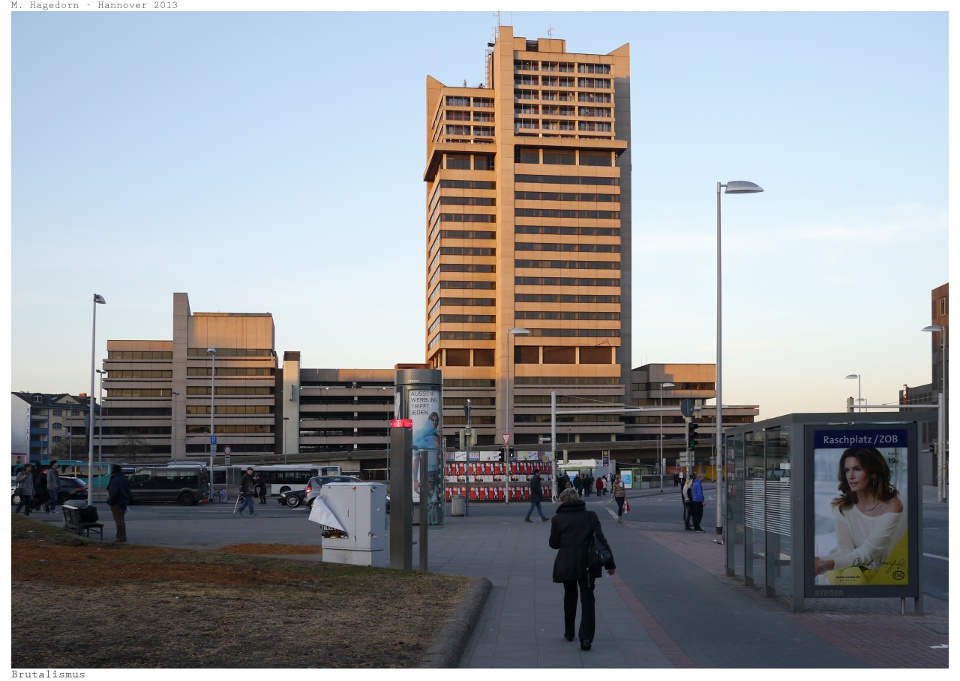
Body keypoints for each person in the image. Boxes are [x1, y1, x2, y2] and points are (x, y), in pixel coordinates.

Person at [814, 447, 907, 584]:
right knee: (847, 573)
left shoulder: (892, 506)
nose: (850, 476)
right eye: (847, 470)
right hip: (849, 566)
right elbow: (845, 549)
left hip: (876, 571)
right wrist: (820, 561)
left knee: (852, 575)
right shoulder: (842, 507)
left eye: (857, 469)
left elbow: (867, 554)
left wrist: (824, 565)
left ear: (873, 473)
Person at [549, 487, 616, 651]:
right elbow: (601, 540)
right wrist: (610, 564)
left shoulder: (558, 519)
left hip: (567, 563)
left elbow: (554, 544)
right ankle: (586, 637)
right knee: (587, 599)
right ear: (578, 499)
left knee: (569, 597)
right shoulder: (590, 516)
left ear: (563, 501)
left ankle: (569, 632)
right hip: (588, 563)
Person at [106, 464, 132, 543]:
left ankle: (120, 538)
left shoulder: (115, 479)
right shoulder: (125, 479)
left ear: (114, 470)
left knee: (118, 520)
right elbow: (128, 491)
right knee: (121, 520)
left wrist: (110, 501)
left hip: (116, 502)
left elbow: (114, 492)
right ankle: (123, 537)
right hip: (123, 501)